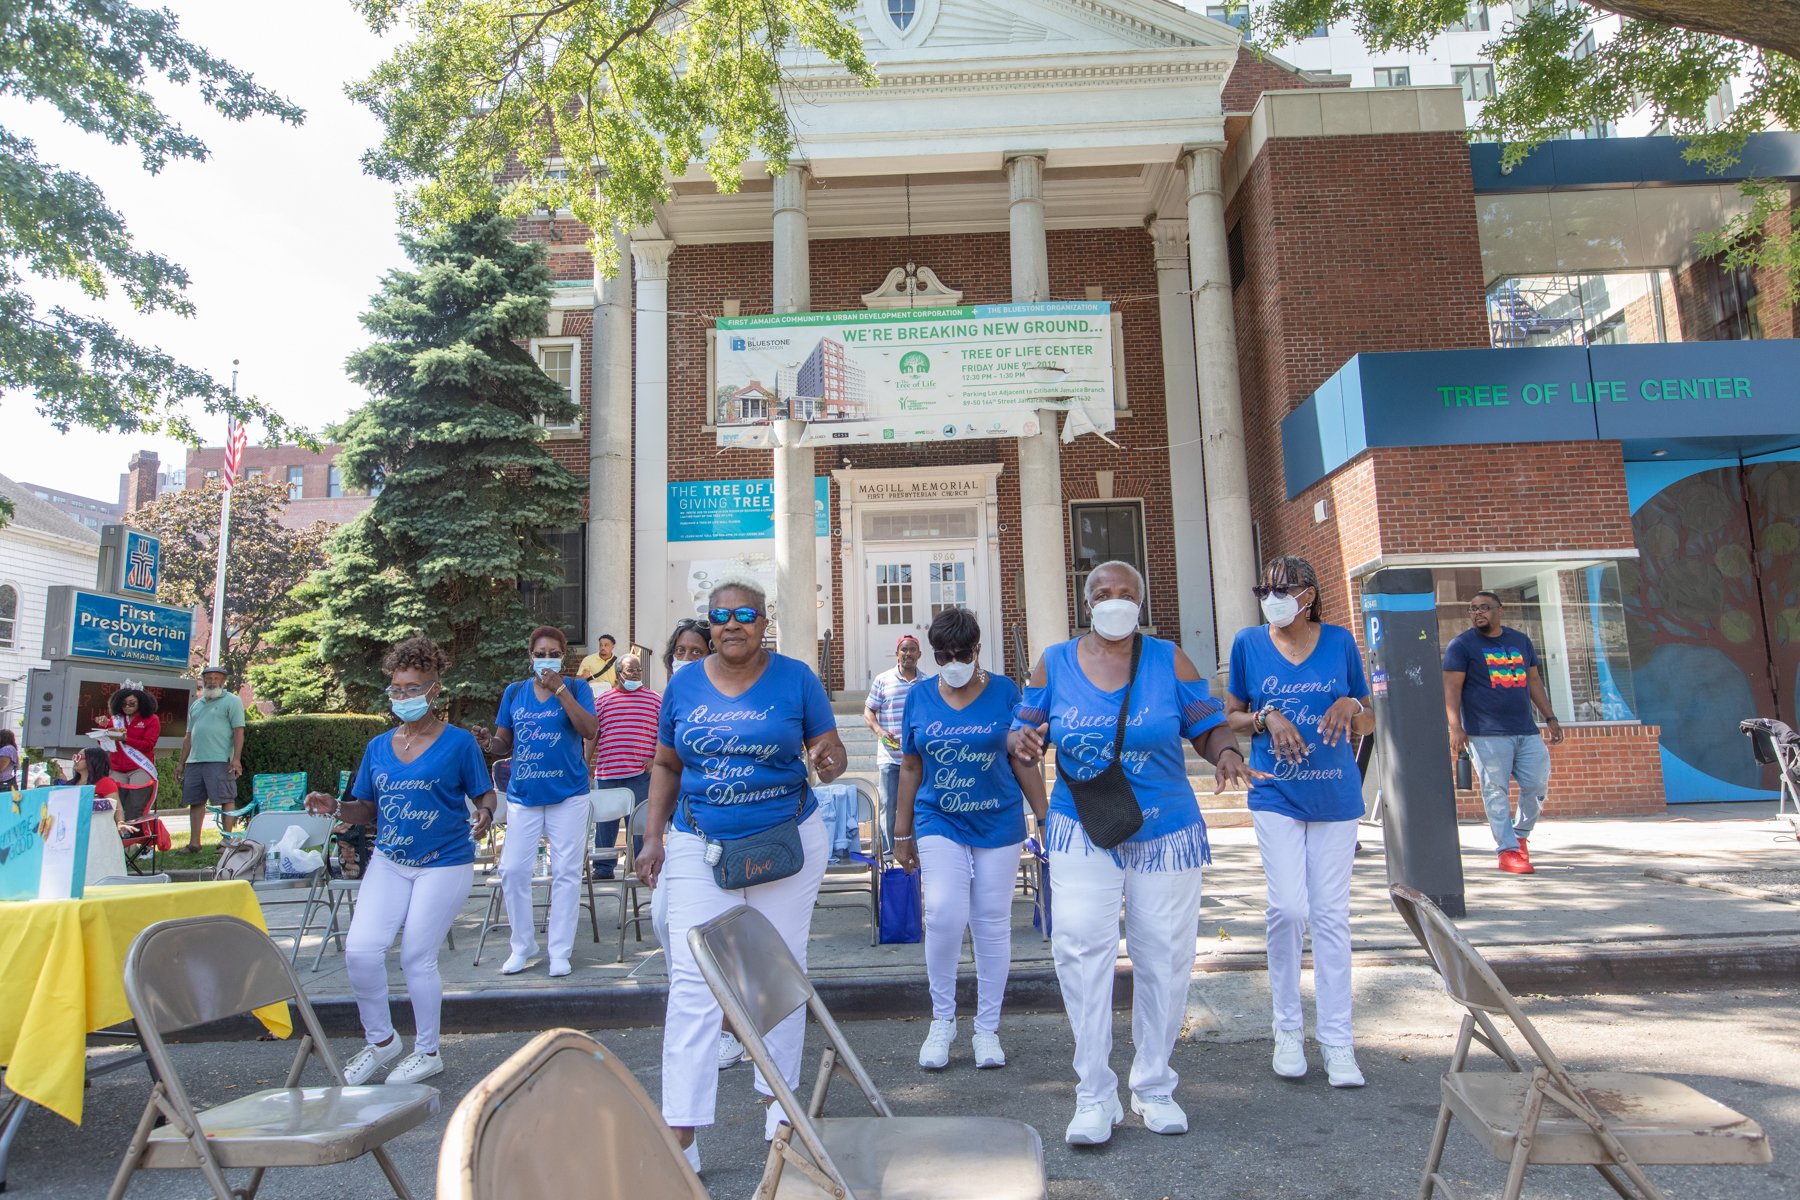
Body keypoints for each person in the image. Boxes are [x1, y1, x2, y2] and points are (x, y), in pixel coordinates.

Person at [1009, 560, 1262, 1147]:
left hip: (1165, 828)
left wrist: (1223, 752)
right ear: (1087, 602)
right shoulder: (1055, 661)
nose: (1114, 601)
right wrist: (1019, 739)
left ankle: (1153, 1086)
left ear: (1141, 603)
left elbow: (1206, 723)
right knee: (1078, 946)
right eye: (1103, 593)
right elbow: (1023, 733)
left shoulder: (1169, 658)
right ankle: (1094, 1093)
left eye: (1126, 593)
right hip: (1083, 823)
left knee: (1165, 956)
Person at [636, 575, 847, 1172]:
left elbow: (830, 749)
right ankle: (681, 1130)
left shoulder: (796, 678)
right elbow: (665, 764)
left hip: (785, 841)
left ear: (764, 621)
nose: (732, 624)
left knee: (776, 976)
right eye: (721, 615)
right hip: (700, 845)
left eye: (746, 614)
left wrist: (829, 761)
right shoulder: (683, 686)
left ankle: (781, 1116)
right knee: (694, 981)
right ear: (709, 624)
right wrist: (653, 838)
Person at [303, 634, 495, 1086]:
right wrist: (335, 806)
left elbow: (482, 791)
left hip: (444, 861)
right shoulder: (378, 747)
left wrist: (485, 812)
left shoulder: (459, 743)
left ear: (434, 690)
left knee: (415, 956)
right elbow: (365, 809)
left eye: (413, 688)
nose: (404, 697)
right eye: (397, 689)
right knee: (361, 952)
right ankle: (382, 1041)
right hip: (390, 860)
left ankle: (427, 1050)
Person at [1225, 556, 1375, 1089]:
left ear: (1308, 594)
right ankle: (1287, 1030)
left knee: (1331, 916)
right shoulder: (1248, 643)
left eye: (1281, 589)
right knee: (1288, 908)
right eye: (1263, 588)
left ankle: (1337, 1041)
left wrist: (1349, 702)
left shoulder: (1338, 641)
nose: (1270, 597)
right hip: (1275, 791)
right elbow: (1231, 714)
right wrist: (1267, 716)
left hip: (1335, 794)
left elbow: (1369, 714)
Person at [893, 607, 1046, 1072]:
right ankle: (942, 1020)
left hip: (997, 821)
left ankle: (986, 1028)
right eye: (943, 654)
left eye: (961, 653)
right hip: (939, 818)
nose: (952, 661)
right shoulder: (919, 697)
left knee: (991, 921)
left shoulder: (1004, 692)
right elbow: (912, 765)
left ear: (978, 650)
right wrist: (901, 831)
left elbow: (1023, 757)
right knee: (942, 912)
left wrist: (1045, 816)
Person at [475, 626, 598, 977]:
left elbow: (590, 730)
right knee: (512, 870)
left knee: (566, 873)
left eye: (552, 652)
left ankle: (560, 951)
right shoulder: (515, 693)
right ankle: (523, 944)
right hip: (524, 796)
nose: (546, 659)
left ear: (563, 656)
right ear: (530, 657)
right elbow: (504, 743)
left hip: (568, 796)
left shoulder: (577, 688)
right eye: (540, 653)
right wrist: (488, 742)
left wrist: (560, 690)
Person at [654, 616, 748, 1072]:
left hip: (726, 831)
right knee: (664, 919)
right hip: (684, 832)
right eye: (682, 652)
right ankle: (697, 1013)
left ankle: (734, 1027)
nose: (687, 659)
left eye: (697, 651)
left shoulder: (717, 698)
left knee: (724, 931)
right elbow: (665, 769)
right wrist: (654, 836)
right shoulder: (671, 700)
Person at [1443, 591, 1564, 875]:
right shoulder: (1461, 646)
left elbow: (1533, 680)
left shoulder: (1520, 641)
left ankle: (1520, 835)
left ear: (1500, 610)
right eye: (1472, 609)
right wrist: (1455, 727)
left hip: (1525, 729)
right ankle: (1507, 850)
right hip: (1486, 734)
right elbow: (1451, 689)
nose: (1478, 613)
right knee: (1495, 792)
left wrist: (1550, 716)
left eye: (1484, 608)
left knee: (1537, 785)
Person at [591, 651, 660, 879]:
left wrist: (655, 759)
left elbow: (664, 734)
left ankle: (641, 867)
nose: (636, 674)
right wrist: (584, 763)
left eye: (639, 670)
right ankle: (603, 868)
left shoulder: (654, 699)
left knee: (640, 824)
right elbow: (592, 734)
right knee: (605, 825)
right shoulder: (603, 701)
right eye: (631, 670)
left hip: (640, 774)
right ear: (619, 673)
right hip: (608, 773)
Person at [865, 634, 923, 851]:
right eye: (904, 650)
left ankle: (916, 849)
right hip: (890, 756)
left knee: (918, 804)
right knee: (889, 805)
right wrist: (879, 731)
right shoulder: (883, 680)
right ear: (897, 654)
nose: (908, 654)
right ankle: (890, 852)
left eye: (912, 650)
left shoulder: (927, 683)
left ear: (919, 654)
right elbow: (869, 710)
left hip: (917, 757)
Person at [181, 665, 245, 848]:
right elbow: (188, 736)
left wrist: (236, 758)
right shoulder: (196, 704)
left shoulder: (232, 701)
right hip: (194, 761)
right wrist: (181, 763)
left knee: (226, 799)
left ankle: (226, 840)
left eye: (216, 678)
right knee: (195, 801)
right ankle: (194, 843)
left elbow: (238, 731)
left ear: (223, 681)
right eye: (208, 678)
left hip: (220, 760)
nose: (212, 681)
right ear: (202, 680)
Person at [103, 684, 160, 833]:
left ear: (141, 703)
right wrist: (103, 736)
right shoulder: (115, 720)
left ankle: (141, 841)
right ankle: (119, 840)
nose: (127, 707)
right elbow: (106, 744)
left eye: (132, 704)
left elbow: (148, 745)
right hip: (116, 768)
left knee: (136, 805)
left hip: (139, 767)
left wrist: (125, 739)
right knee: (116, 805)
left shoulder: (151, 719)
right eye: (123, 704)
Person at [74, 746, 129, 883]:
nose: (75, 760)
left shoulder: (105, 783)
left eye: (79, 757)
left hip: (98, 833)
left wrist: (120, 823)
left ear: (92, 761)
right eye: (75, 756)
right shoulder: (72, 783)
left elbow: (117, 807)